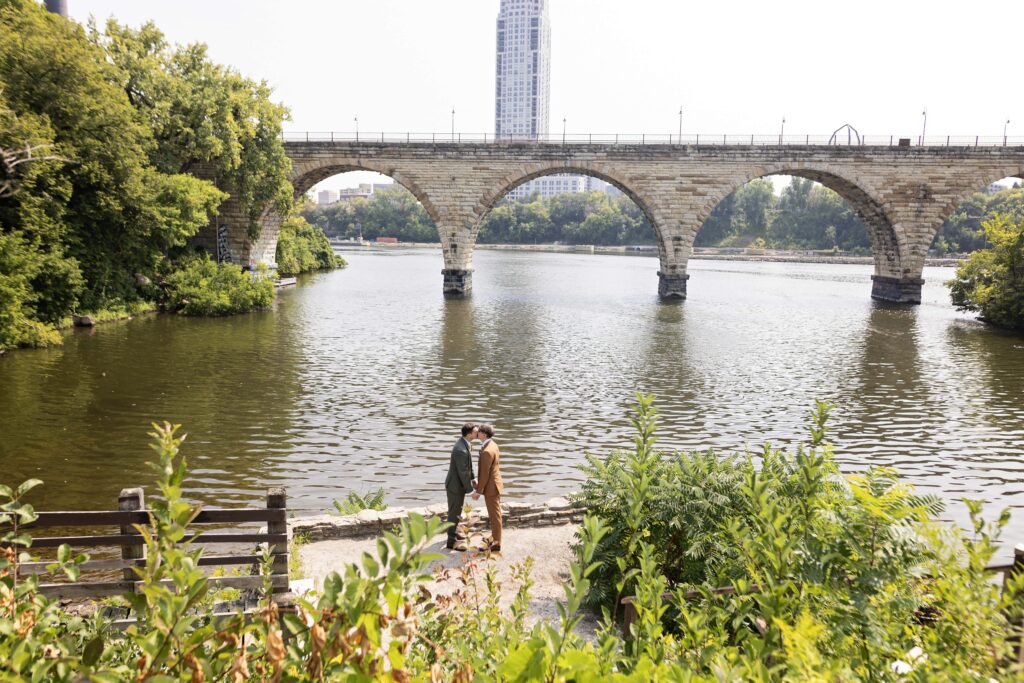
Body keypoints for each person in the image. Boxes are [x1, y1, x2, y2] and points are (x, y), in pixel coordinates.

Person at [444, 423, 477, 551]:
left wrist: (473, 479)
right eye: (475, 432)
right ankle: (450, 542)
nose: (477, 434)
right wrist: (471, 491)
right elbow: (462, 472)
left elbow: (469, 466)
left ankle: (454, 533)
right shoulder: (460, 449)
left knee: (456, 511)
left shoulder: (465, 444)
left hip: (458, 485)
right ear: (469, 434)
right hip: (455, 486)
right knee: (454, 513)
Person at [471, 423, 503, 552]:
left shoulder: (487, 451)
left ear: (483, 434)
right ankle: (494, 537)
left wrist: (478, 491)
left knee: (494, 516)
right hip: (495, 483)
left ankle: (496, 543)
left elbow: (485, 474)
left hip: (491, 487)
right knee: (495, 514)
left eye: (478, 431)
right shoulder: (493, 445)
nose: (476, 433)